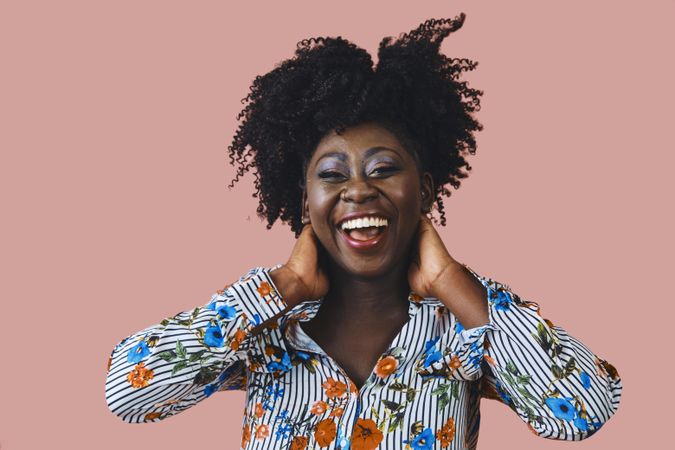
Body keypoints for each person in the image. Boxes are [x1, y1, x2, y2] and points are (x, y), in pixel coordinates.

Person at [105, 13, 622, 450]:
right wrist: (282, 288)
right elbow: (129, 392)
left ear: (423, 190)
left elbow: (585, 408)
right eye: (332, 175)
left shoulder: (460, 331)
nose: (357, 190)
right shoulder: (264, 329)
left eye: (382, 170)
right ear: (306, 201)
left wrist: (453, 283)